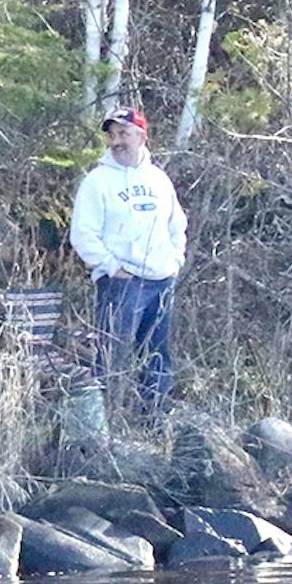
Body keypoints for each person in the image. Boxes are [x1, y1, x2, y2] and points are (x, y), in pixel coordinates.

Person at [70, 106, 188, 411]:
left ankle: (155, 422)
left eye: (124, 133)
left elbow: (177, 225)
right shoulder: (97, 182)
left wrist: (174, 261)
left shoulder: (159, 180)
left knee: (158, 357)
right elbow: (83, 235)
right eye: (112, 134)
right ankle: (106, 425)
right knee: (111, 358)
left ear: (142, 136)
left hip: (162, 281)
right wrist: (113, 268)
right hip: (121, 283)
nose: (117, 140)